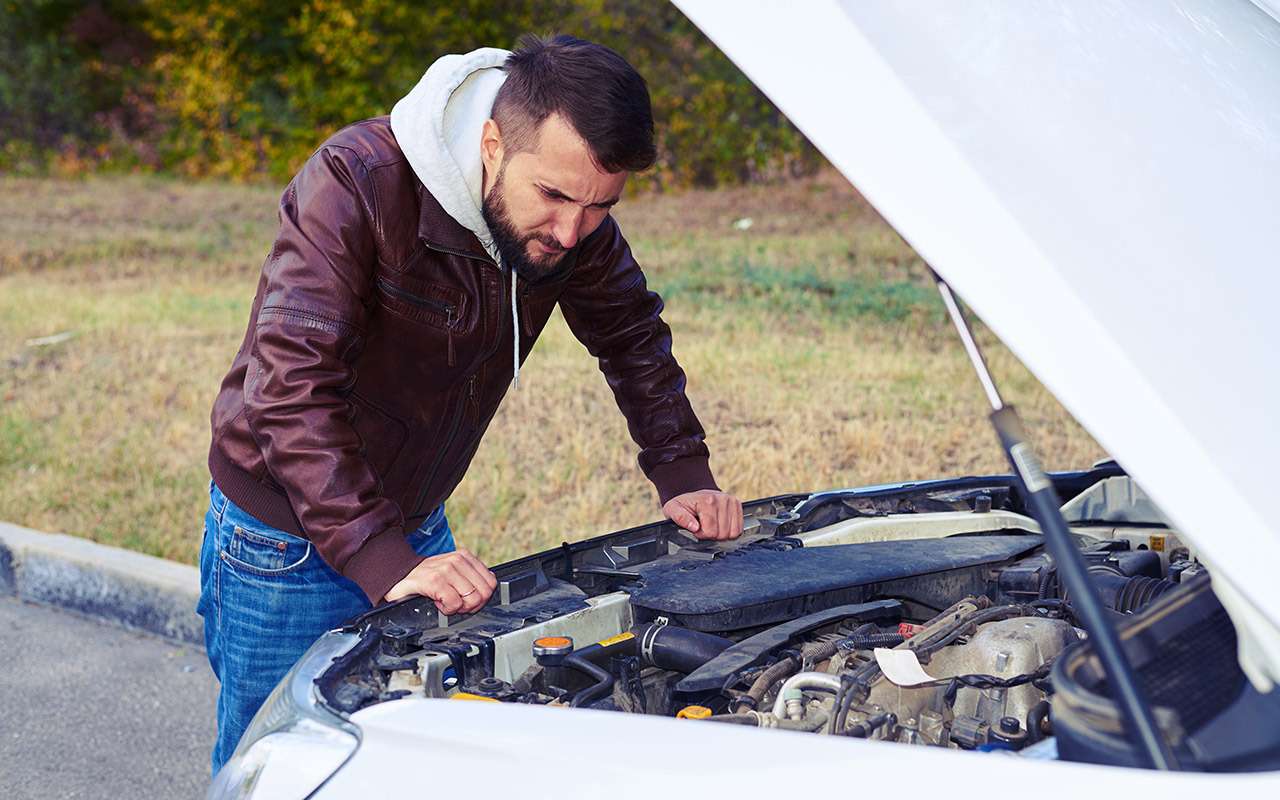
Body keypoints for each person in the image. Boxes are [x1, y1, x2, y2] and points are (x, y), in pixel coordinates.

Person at [197, 34, 744, 772]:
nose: (571, 231)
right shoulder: (357, 180)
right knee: (284, 766)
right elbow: (290, 383)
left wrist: (684, 471)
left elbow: (630, 334)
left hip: (413, 530)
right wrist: (378, 556)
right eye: (552, 196)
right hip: (284, 540)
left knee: (403, 764)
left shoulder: (569, 218)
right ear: (492, 143)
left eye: (599, 206)